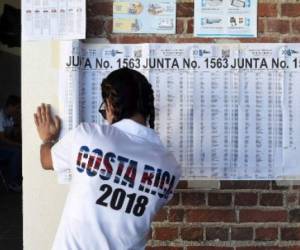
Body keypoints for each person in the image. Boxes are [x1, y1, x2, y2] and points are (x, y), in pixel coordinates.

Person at [34, 68, 181, 250]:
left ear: (110, 104)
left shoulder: (87, 136)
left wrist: (47, 138)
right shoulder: (170, 166)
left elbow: (47, 160)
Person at [0, 95, 22, 192]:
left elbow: (14, 135)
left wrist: (17, 123)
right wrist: (18, 145)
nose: (18, 110)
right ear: (10, 106)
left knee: (18, 150)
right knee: (16, 152)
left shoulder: (10, 118)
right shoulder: (0, 116)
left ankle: (18, 179)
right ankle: (13, 183)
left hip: (5, 147)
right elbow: (2, 139)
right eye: (17, 107)